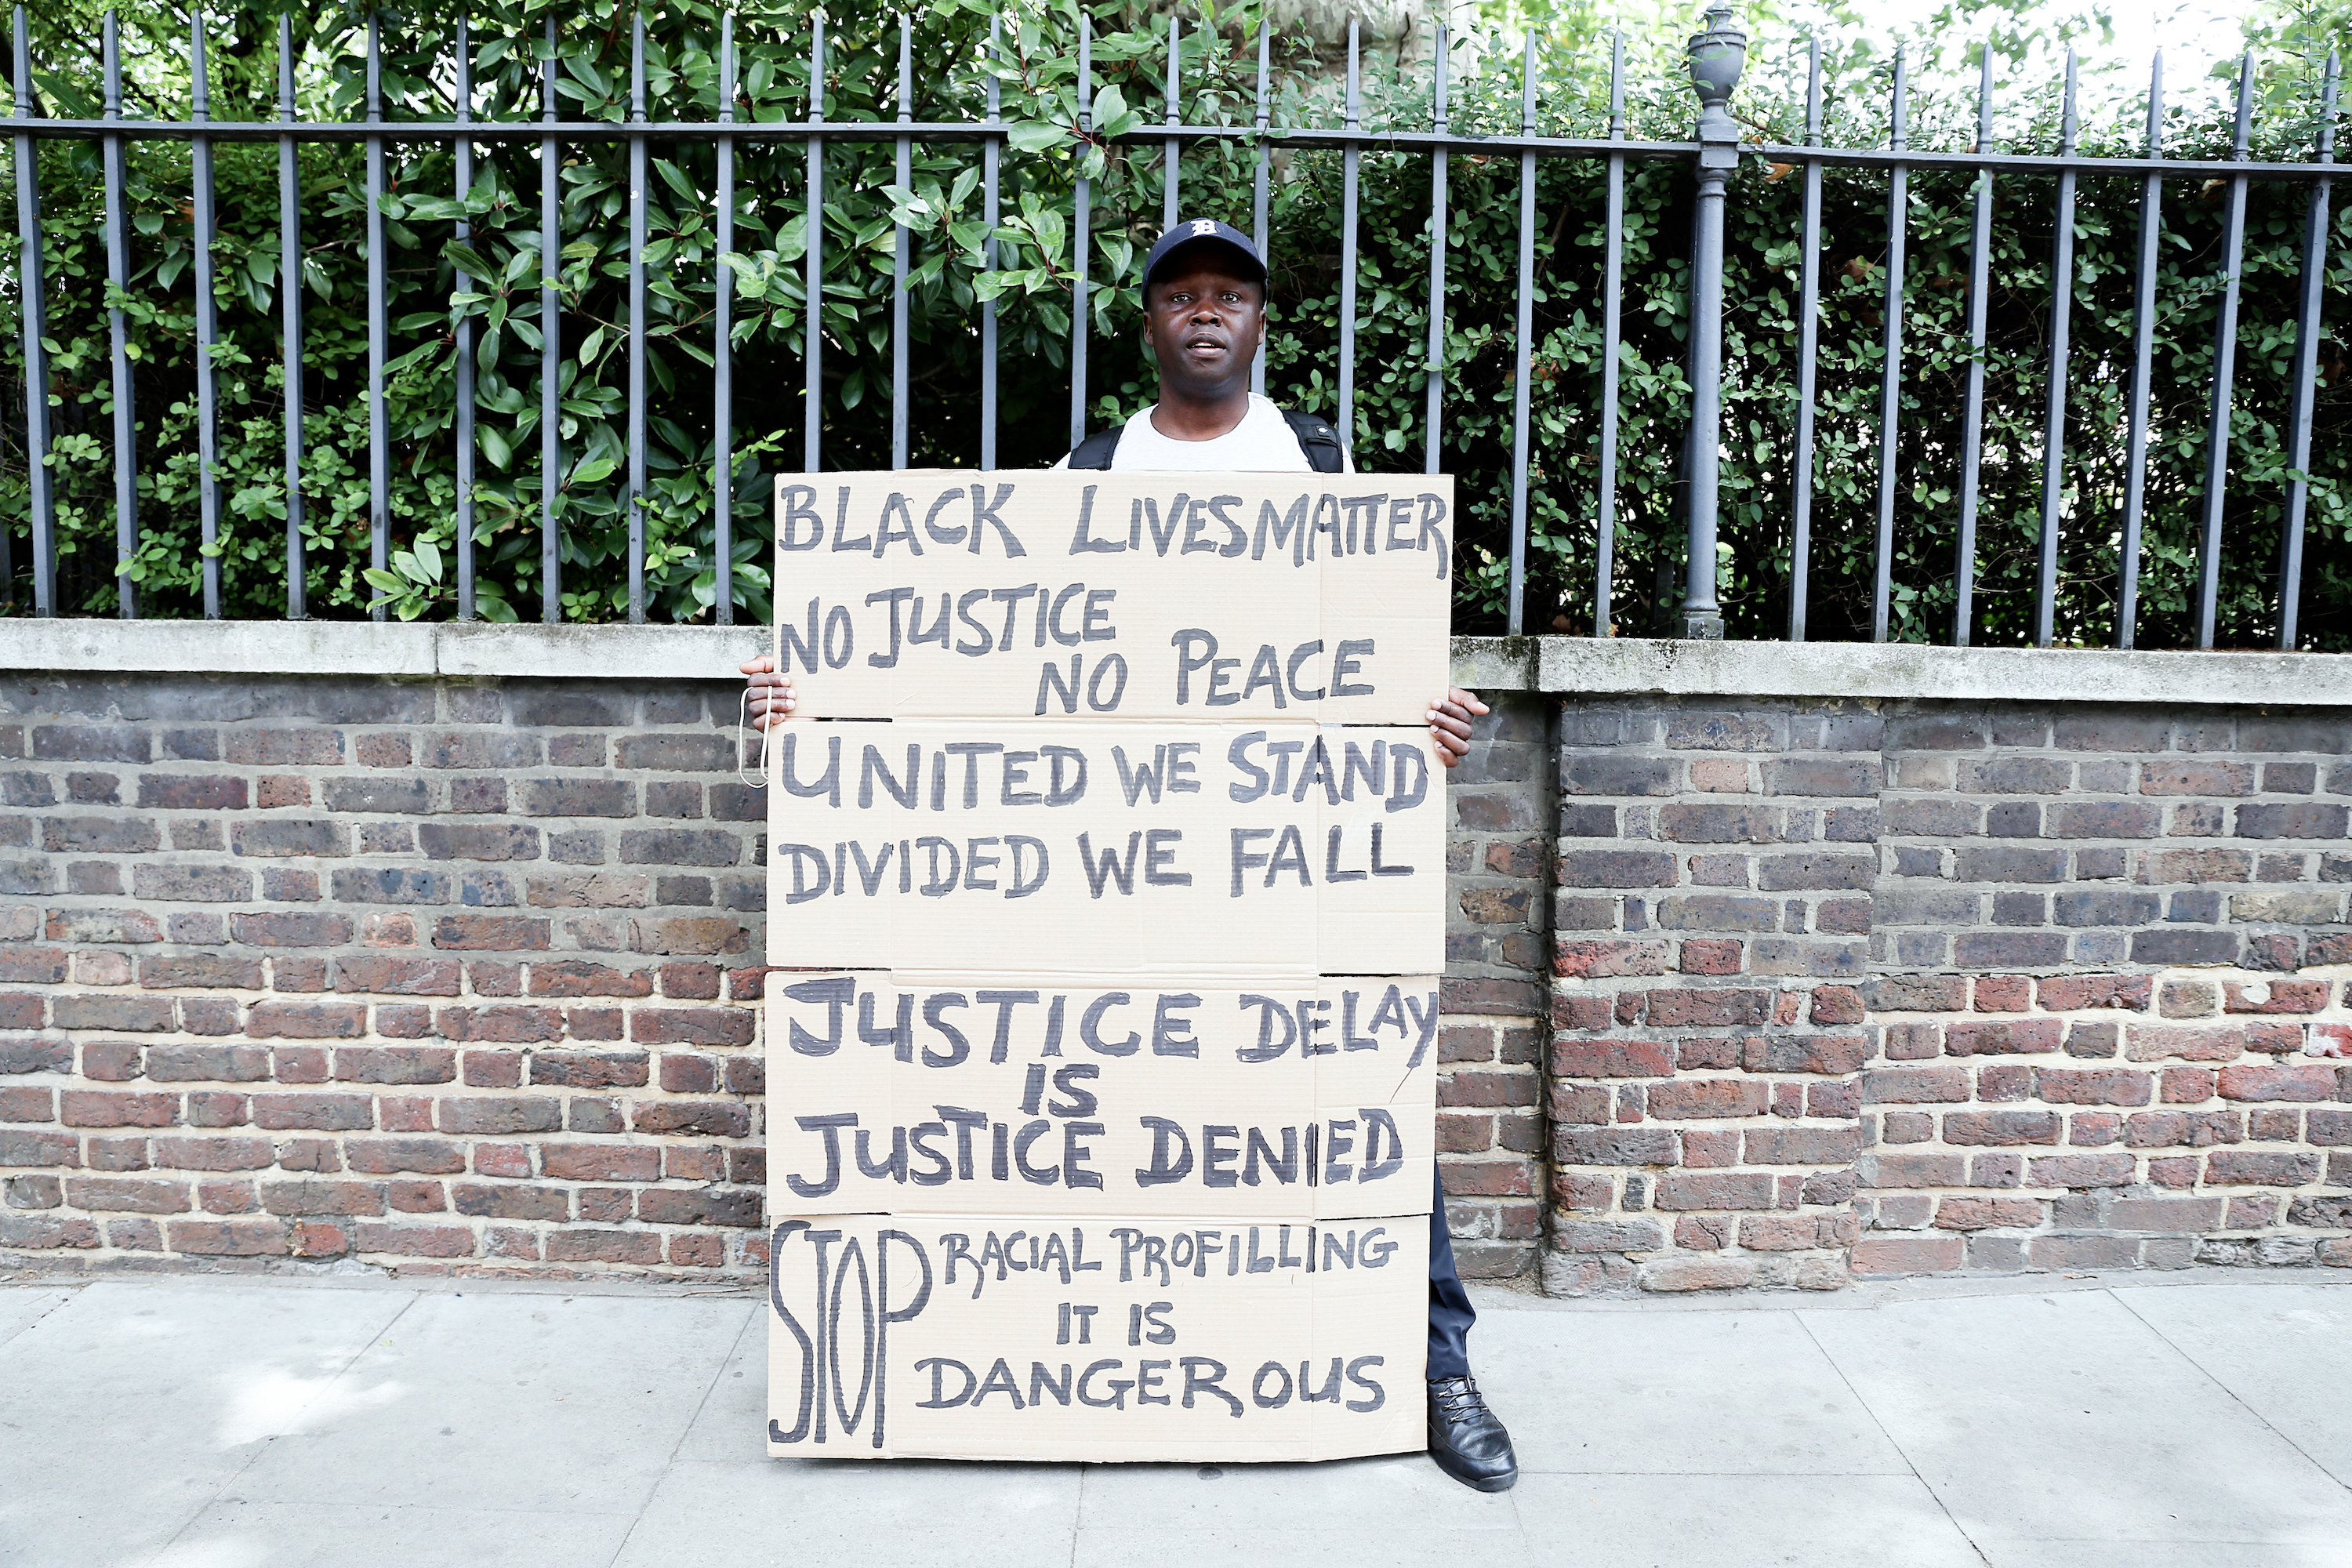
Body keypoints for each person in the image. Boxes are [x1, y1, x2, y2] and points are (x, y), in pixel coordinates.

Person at [740, 218, 1516, 1493]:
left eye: (1231, 296)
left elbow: (1371, 677)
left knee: (1368, 1091)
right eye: (1182, 297)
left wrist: (1424, 726)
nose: (1207, 314)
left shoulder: (1325, 477)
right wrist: (809, 700)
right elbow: (972, 669)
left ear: (1260, 324)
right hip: (1118, 878)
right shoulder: (1083, 479)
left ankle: (1433, 1364)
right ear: (1150, 326)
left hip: (1291, 865)